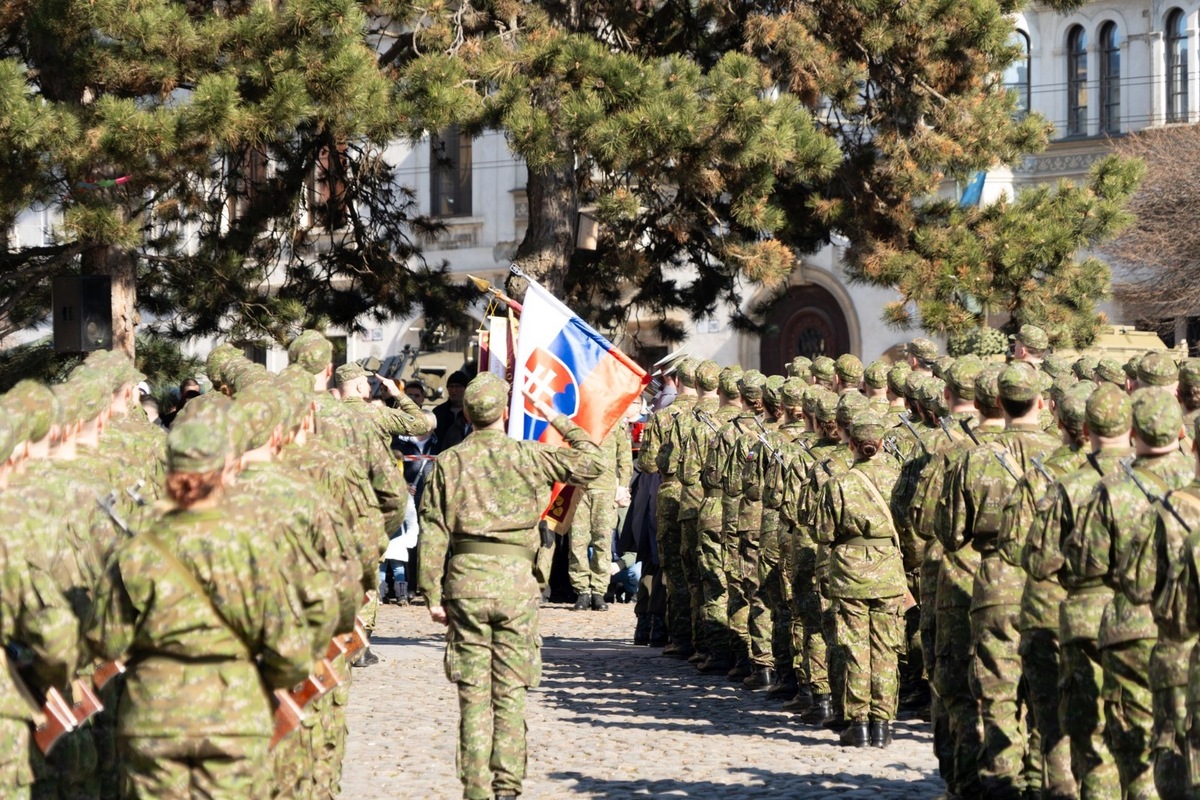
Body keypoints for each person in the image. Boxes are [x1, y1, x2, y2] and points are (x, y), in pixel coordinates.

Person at [89, 408, 313, 799]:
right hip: (233, 708)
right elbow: (291, 653)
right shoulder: (253, 545)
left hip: (156, 708)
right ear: (225, 472)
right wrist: (259, 681)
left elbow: (106, 640)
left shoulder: (139, 546)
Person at [418, 373, 603, 800]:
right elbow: (593, 463)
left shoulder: (448, 462)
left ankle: (478, 790)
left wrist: (431, 593)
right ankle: (507, 787)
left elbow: (433, 532)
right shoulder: (531, 456)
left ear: (465, 414)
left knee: (473, 695)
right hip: (517, 584)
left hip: (466, 582)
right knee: (510, 690)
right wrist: (560, 420)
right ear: (504, 412)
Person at [816, 410, 906, 748]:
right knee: (886, 648)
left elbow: (824, 534)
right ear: (881, 444)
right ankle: (883, 723)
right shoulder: (898, 478)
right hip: (888, 572)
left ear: (851, 443)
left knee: (855, 647)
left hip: (850, 572)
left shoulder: (839, 483)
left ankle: (859, 723)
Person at [433, 370, 471, 453]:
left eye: (458, 386)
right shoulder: (438, 412)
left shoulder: (471, 413)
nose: (454, 390)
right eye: (451, 386)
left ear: (466, 389)